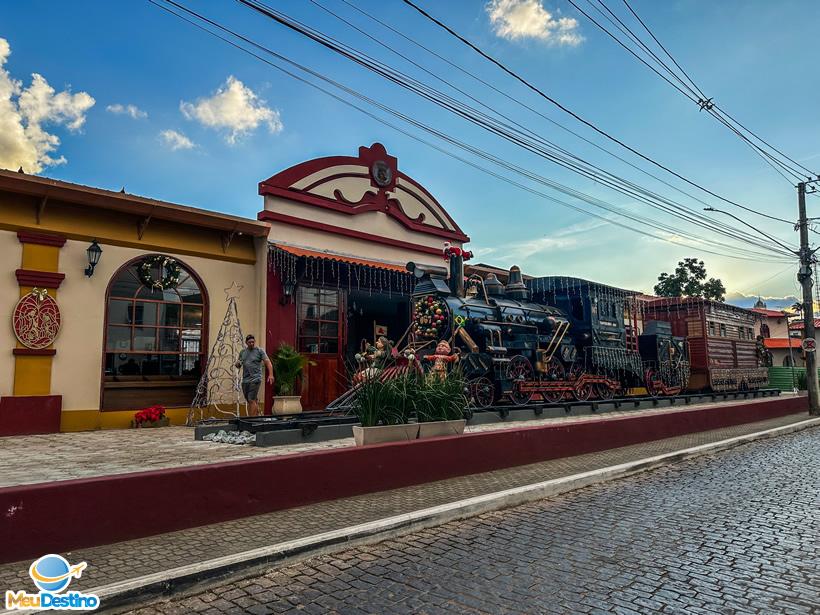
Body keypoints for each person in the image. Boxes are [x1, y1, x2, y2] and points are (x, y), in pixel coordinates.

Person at [235, 334, 273, 416]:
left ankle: (251, 419)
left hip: (256, 379)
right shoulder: (243, 352)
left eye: (253, 342)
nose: (252, 343)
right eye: (249, 342)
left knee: (251, 399)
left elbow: (268, 362)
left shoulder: (259, 351)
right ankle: (257, 414)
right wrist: (237, 364)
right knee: (250, 400)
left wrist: (271, 375)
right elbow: (238, 365)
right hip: (245, 380)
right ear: (246, 343)